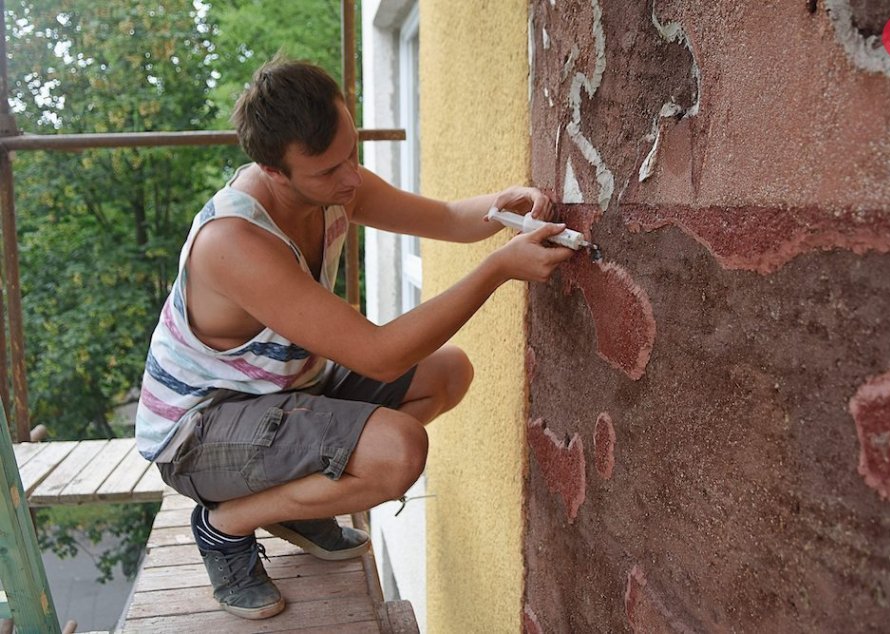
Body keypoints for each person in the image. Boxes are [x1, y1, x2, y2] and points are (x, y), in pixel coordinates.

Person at [134, 56, 574, 620]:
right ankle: (224, 525)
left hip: (277, 398)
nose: (350, 180)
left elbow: (442, 217)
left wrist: (501, 210)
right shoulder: (235, 242)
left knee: (449, 370)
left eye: (352, 152)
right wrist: (499, 269)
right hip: (199, 433)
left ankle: (289, 506)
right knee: (397, 454)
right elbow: (380, 355)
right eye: (326, 171)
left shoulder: (332, 182)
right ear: (273, 170)